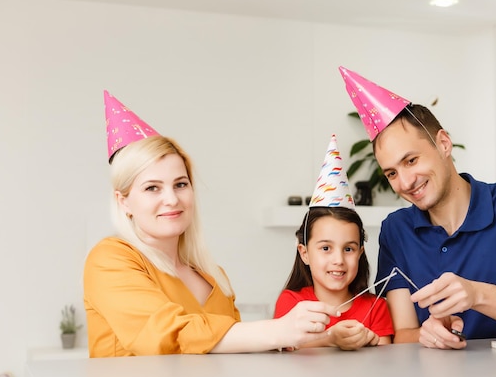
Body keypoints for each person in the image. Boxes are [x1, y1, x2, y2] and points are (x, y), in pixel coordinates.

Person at [338, 66, 496, 349]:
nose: (405, 182)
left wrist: (476, 294)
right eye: (391, 173)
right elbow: (403, 332)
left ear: (443, 144)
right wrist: (428, 333)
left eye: (411, 160)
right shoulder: (396, 230)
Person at [83, 91, 334, 357]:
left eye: (180, 184)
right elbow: (165, 336)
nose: (171, 199)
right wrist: (277, 329)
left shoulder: (212, 275)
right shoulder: (109, 259)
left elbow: (228, 348)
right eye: (152, 188)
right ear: (124, 202)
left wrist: (323, 338)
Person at [274, 135, 393, 350]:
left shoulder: (376, 307)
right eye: (326, 248)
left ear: (360, 253)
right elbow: (287, 350)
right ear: (304, 253)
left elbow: (386, 364)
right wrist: (331, 338)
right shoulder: (292, 303)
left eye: (348, 249)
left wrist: (372, 343)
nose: (338, 260)